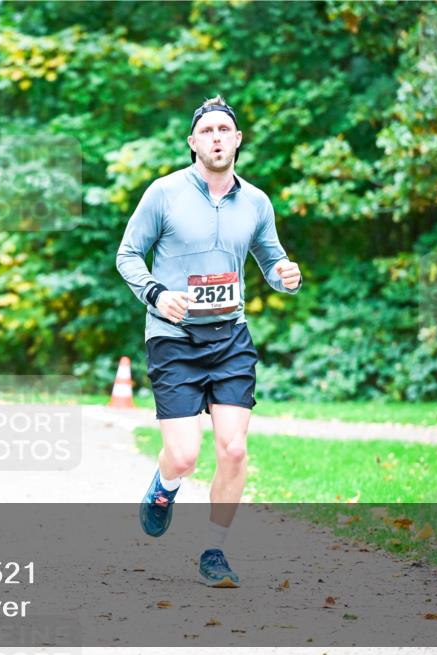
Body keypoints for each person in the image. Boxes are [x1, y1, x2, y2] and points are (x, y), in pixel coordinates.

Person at [115, 96, 302, 588]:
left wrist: (286, 276)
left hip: (230, 338)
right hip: (174, 338)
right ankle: (165, 486)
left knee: (234, 450)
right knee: (183, 456)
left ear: (237, 140)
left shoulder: (257, 202)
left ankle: (215, 552)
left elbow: (272, 263)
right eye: (208, 130)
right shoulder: (164, 193)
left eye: (226, 129)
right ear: (194, 142)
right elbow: (129, 255)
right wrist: (156, 293)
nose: (217, 137)